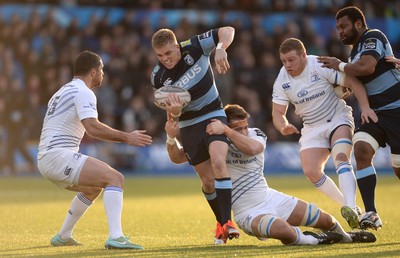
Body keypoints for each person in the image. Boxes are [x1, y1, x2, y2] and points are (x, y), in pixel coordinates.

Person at [165, 103, 376, 245]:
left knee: (325, 219)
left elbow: (253, 149)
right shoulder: (215, 144)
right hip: (248, 213)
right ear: (225, 125)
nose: (244, 131)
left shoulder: (255, 134)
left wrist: (228, 131)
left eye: (244, 127)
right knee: (284, 231)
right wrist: (171, 137)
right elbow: (178, 157)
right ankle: (315, 240)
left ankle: (346, 238)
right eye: (237, 128)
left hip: (270, 197)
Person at [37, 51, 152, 250]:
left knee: (92, 189)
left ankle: (63, 235)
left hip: (47, 158)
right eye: (101, 70)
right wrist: (127, 137)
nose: (103, 74)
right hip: (58, 156)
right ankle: (116, 237)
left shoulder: (62, 91)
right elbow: (92, 127)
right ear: (93, 71)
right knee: (116, 179)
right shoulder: (83, 92)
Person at [271, 38, 378, 230]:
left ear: (304, 55)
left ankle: (351, 205)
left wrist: (365, 107)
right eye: (284, 61)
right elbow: (277, 113)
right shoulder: (282, 79)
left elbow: (352, 81)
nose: (287, 65)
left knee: (341, 158)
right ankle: (350, 207)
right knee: (311, 171)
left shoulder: (319, 64)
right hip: (312, 126)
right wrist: (283, 125)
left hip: (337, 117)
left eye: (291, 60)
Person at [150, 26, 239, 244]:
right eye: (160, 56)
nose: (165, 60)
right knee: (208, 182)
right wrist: (176, 113)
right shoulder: (158, 76)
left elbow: (227, 30)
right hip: (189, 123)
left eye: (168, 53)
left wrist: (220, 48)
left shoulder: (195, 47)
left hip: (213, 112)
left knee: (219, 161)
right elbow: (172, 112)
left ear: (176, 45)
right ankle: (220, 223)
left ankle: (228, 222)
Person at [317, 6, 400, 230]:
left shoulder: (373, 36)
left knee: (398, 169)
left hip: (396, 110)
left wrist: (340, 65)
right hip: (374, 113)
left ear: (358, 24)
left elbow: (367, 67)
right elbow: (355, 81)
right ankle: (371, 213)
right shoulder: (354, 54)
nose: (340, 32)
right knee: (361, 149)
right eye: (337, 28)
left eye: (343, 26)